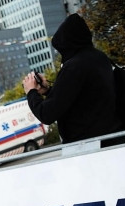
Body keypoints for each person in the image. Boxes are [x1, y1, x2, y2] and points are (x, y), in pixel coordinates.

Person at [22, 13, 119, 144]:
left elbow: (47, 114)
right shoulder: (100, 57)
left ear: (67, 44)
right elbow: (79, 98)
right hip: (112, 136)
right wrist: (48, 90)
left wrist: (31, 92)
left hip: (88, 145)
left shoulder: (74, 67)